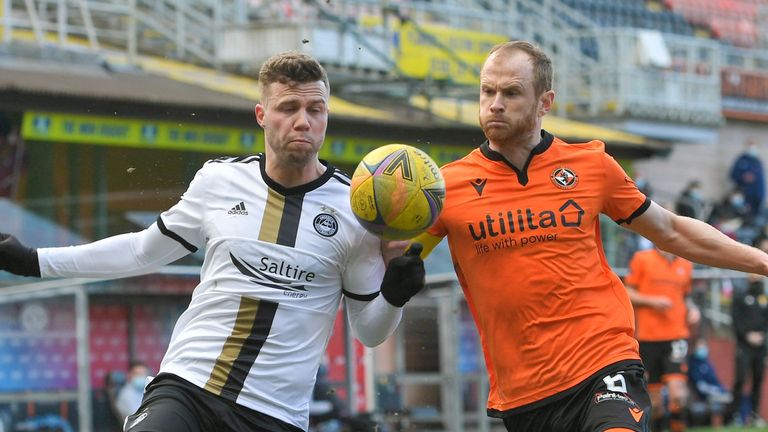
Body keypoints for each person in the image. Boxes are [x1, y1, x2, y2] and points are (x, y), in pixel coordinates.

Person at [0, 51, 426, 432]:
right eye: (289, 107)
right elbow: (141, 251)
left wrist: (394, 295)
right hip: (189, 385)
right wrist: (32, 260)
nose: (303, 120)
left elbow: (369, 332)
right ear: (261, 114)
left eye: (316, 109)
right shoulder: (218, 180)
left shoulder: (357, 212)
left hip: (275, 415)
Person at [410, 40, 768, 432]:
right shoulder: (445, 187)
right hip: (526, 394)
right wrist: (397, 273)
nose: (495, 103)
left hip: (604, 360)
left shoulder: (591, 166)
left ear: (545, 102)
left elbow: (671, 230)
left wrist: (762, 262)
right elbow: (398, 258)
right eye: (487, 90)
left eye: (511, 92)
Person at [624, 246, 700, 432]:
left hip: (676, 336)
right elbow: (627, 292)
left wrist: (693, 309)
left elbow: (685, 296)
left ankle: (677, 427)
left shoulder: (685, 263)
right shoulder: (642, 259)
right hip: (648, 337)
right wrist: (652, 301)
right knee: (655, 402)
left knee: (678, 395)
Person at [726, 271, 768, 426]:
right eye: (752, 273)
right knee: (740, 379)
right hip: (744, 345)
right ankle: (734, 415)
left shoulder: (764, 296)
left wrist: (762, 336)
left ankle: (754, 415)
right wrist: (746, 335)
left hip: (761, 345)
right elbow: (735, 319)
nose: (755, 276)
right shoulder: (741, 295)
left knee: (758, 379)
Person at [687, 338, 731, 427]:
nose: (702, 349)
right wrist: (716, 391)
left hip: (715, 392)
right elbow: (700, 386)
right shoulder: (693, 364)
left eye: (704, 346)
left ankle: (729, 422)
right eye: (699, 346)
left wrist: (721, 390)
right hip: (703, 395)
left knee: (732, 397)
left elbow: (715, 381)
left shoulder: (707, 362)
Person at [729, 137, 765, 216]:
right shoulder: (741, 159)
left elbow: (761, 181)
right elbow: (732, 174)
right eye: (751, 145)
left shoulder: (758, 162)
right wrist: (743, 177)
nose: (752, 148)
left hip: (755, 197)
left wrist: (760, 197)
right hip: (743, 195)